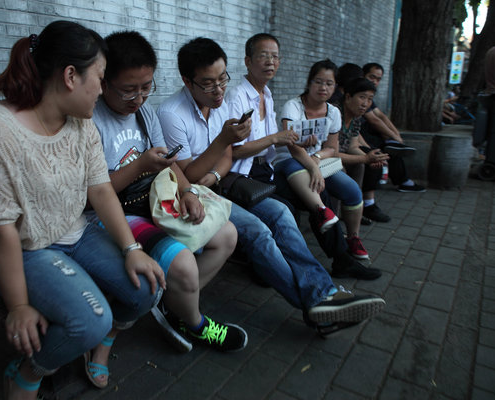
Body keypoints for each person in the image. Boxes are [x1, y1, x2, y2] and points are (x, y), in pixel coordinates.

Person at [0, 21, 167, 399]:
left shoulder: (81, 124)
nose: (103, 90)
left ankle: (103, 341)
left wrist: (132, 250)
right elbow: (2, 229)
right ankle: (27, 372)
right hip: (25, 249)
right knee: (89, 321)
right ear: (71, 76)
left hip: (77, 233)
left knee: (149, 289)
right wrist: (19, 306)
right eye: (101, 79)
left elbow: (102, 191)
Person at [157, 37, 385, 337]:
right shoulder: (172, 114)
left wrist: (213, 174)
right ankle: (318, 304)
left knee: (281, 214)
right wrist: (219, 156)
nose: (219, 90)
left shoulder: (224, 102)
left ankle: (324, 294)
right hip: (192, 194)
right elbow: (190, 175)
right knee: (258, 231)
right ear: (187, 81)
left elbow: (224, 159)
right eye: (208, 83)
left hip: (222, 183)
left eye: (222, 78)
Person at [89, 30, 246, 354]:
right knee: (184, 264)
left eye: (147, 87)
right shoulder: (92, 119)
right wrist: (140, 166)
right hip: (115, 212)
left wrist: (188, 192)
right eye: (128, 90)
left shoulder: (145, 114)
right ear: (104, 83)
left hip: (151, 199)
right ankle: (194, 321)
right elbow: (95, 194)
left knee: (227, 234)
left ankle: (174, 306)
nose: (139, 98)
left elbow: (168, 164)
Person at [225, 34, 380, 279]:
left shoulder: (267, 93)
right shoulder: (237, 97)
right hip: (245, 174)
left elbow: (320, 147)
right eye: (263, 56)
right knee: (304, 196)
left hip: (268, 170)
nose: (270, 62)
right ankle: (279, 265)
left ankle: (341, 258)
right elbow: (234, 151)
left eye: (275, 57)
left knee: (320, 190)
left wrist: (296, 143)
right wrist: (277, 139)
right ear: (247, 60)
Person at [277, 59, 371, 261]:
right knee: (298, 167)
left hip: (318, 161)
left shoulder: (333, 112)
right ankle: (322, 212)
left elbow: (332, 148)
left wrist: (317, 157)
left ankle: (353, 238)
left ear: (335, 87)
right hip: (289, 160)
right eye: (319, 82)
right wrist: (312, 164)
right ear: (309, 82)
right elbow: (292, 147)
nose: (323, 87)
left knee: (353, 191)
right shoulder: (293, 107)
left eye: (329, 84)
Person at [361, 63, 426, 193]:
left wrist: (396, 135)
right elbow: (374, 120)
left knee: (392, 146)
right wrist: (394, 137)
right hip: (358, 132)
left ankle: (402, 180)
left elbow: (381, 116)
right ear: (363, 75)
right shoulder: (359, 92)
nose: (375, 81)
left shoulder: (369, 95)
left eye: (378, 79)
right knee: (386, 147)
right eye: (371, 77)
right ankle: (399, 182)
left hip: (365, 131)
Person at [334, 78, 391, 222]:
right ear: (348, 97)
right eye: (362, 97)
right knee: (340, 170)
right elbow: (332, 152)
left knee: (359, 165)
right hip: (322, 158)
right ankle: (335, 215)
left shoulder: (356, 118)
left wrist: (371, 158)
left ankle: (353, 210)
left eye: (370, 99)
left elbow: (353, 146)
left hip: (339, 156)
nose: (365, 103)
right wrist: (365, 158)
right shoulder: (334, 113)